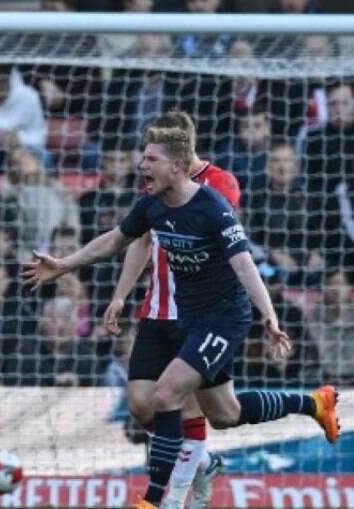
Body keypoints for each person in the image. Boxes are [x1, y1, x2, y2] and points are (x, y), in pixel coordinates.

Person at [22, 122, 340, 509]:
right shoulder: (152, 201)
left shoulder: (214, 202)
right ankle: (314, 405)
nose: (141, 165)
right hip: (184, 315)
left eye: (150, 158)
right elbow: (117, 240)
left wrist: (270, 317)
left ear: (178, 164)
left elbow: (243, 264)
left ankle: (159, 500)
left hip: (223, 316)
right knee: (222, 413)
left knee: (169, 392)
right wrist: (65, 265)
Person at [101, 111, 243, 509]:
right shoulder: (156, 187)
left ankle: (172, 499)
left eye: (155, 153)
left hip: (199, 310)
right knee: (141, 404)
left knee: (190, 403)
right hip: (157, 306)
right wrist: (120, 295)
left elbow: (218, 236)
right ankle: (202, 461)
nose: (146, 162)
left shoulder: (220, 184)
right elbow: (138, 238)